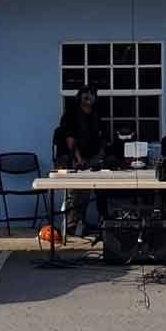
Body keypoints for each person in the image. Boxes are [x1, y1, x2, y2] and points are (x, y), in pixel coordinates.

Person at [58, 87, 106, 235]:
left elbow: (100, 135)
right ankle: (71, 225)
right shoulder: (71, 114)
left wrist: (100, 155)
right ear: (79, 97)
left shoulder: (96, 114)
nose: (88, 96)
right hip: (75, 158)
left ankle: (82, 223)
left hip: (93, 156)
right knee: (77, 193)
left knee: (91, 193)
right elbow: (70, 139)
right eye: (85, 94)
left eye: (91, 94)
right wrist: (79, 159)